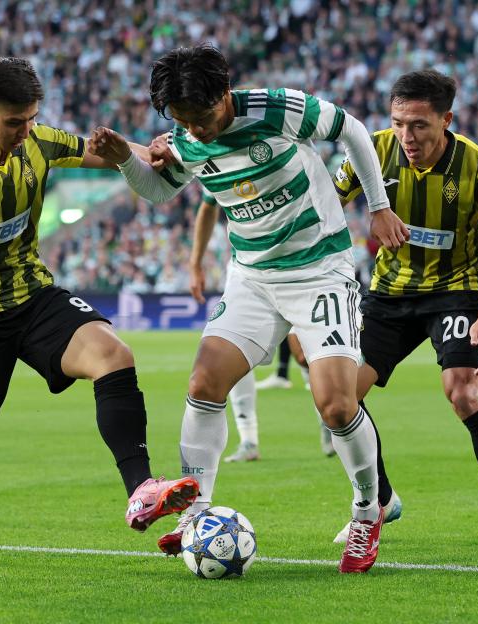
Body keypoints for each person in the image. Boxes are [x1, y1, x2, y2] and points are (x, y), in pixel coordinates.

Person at [89, 44, 409, 573]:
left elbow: (352, 129)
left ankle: (367, 510)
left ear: (225, 92)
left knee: (335, 403)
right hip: (253, 278)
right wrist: (126, 156)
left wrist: (378, 207)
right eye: (185, 122)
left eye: (205, 116)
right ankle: (197, 515)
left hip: (319, 270)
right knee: (203, 383)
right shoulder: (188, 137)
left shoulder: (278, 109)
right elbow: (160, 193)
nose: (199, 130)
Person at [0, 57, 198, 569]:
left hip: (32, 294)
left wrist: (144, 150)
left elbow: (97, 151)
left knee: (113, 354)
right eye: (15, 122)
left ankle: (142, 488)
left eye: (33, 118)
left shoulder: (35, 139)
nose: (26, 131)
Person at [330, 70, 478, 554]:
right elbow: (325, 204)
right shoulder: (371, 150)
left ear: (446, 119)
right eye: (399, 123)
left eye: (420, 125)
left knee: (464, 391)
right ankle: (380, 500)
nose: (408, 136)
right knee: (339, 399)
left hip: (456, 289)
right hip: (389, 293)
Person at [187, 188, 260, 463]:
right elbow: (208, 207)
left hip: (301, 265)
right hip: (246, 268)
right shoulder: (216, 155)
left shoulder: (282, 146)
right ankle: (249, 439)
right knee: (233, 351)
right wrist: (195, 264)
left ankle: (332, 428)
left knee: (302, 353)